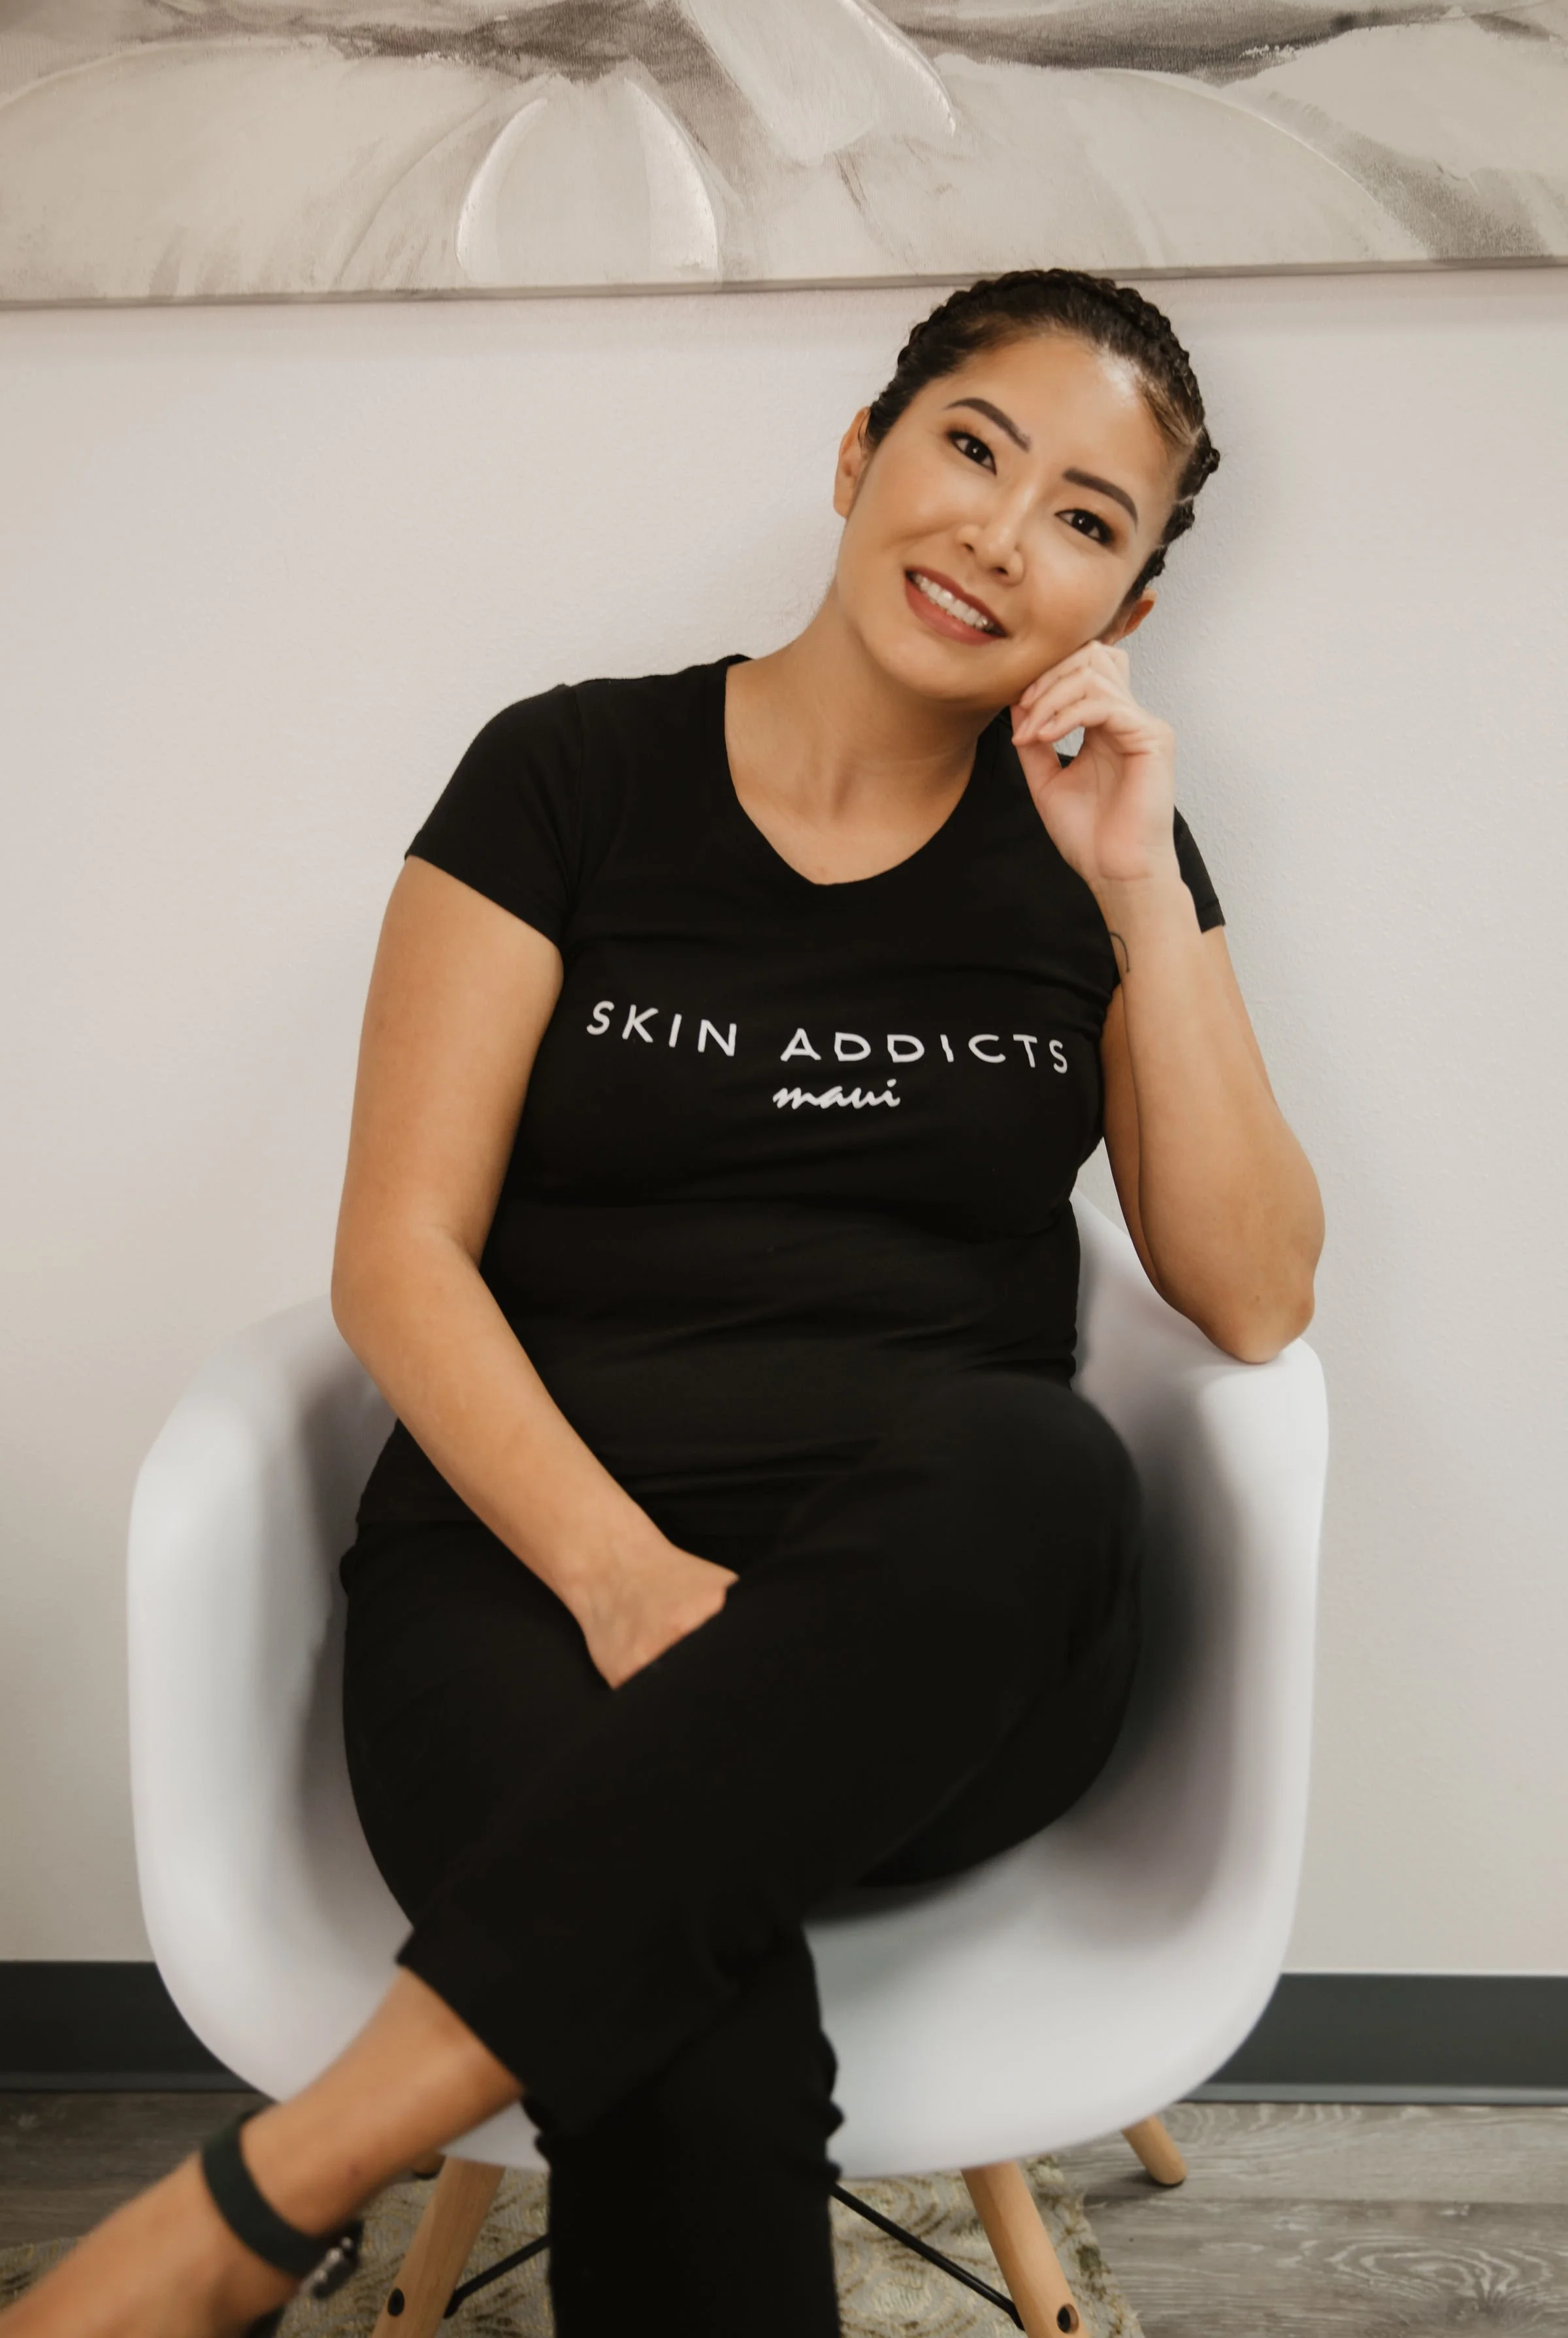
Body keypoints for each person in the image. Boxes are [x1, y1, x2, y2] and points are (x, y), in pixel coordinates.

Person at [4, 266, 1323, 2338]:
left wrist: (1142, 884)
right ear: (856, 456)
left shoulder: (1105, 858)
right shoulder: (568, 776)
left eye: (1086, 516)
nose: (1000, 529)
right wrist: (624, 1582)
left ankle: (287, 2177)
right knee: (685, 2032)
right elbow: (397, 1256)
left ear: (1123, 614)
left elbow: (1251, 1296)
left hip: (947, 1643)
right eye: (971, 447)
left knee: (1031, 1459)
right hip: (526, 1594)